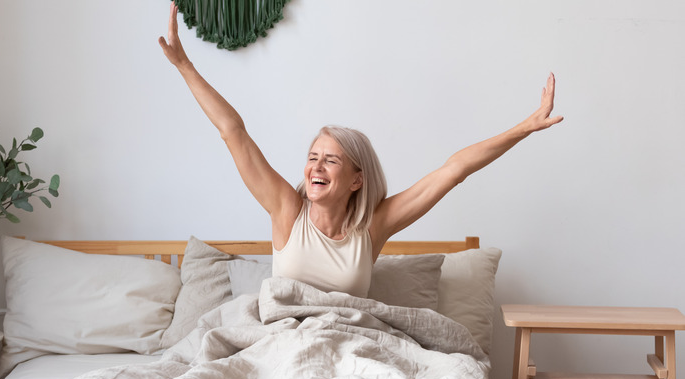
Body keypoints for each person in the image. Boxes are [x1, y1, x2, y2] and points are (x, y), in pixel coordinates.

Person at [158, 2, 563, 298]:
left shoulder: (372, 228)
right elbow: (234, 132)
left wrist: (526, 127)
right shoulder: (286, 210)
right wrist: (185, 67)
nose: (316, 166)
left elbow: (453, 170)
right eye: (313, 157)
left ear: (357, 180)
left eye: (330, 159)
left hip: (346, 343)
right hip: (284, 343)